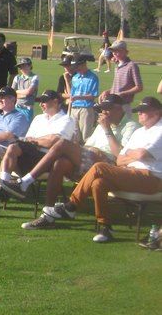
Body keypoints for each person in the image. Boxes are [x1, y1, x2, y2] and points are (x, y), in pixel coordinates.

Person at [35, 96, 162, 243]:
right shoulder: (140, 132)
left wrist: (132, 154)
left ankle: (71, 205)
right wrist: (134, 155)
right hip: (131, 173)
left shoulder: (159, 130)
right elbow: (120, 160)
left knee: (99, 167)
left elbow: (140, 154)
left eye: (144, 111)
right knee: (99, 183)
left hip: (152, 178)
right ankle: (105, 227)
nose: (140, 113)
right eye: (139, 110)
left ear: (157, 112)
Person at [20, 94, 138, 229]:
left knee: (63, 143)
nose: (104, 112)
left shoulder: (131, 126)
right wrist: (86, 149)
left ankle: (26, 181)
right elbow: (88, 146)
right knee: (60, 163)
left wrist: (107, 130)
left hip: (109, 166)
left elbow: (120, 156)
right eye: (102, 109)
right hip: (91, 160)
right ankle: (48, 214)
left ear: (120, 109)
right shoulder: (102, 125)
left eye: (107, 108)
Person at [0, 89, 78, 217]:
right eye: (40, 101)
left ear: (56, 102)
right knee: (12, 148)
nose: (41, 104)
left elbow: (53, 142)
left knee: (13, 147)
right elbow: (27, 140)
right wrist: (38, 140)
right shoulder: (38, 118)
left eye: (44, 101)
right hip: (31, 156)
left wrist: (35, 140)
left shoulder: (66, 119)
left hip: (49, 161)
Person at [101, 40, 143, 115]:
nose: (114, 53)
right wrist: (108, 91)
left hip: (124, 104)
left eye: (118, 50)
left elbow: (139, 87)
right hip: (113, 102)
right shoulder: (117, 66)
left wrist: (123, 93)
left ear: (125, 52)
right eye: (113, 51)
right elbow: (118, 87)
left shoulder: (132, 66)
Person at [65, 54, 99, 141]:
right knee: (74, 137)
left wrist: (78, 97)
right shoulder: (75, 77)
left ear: (84, 64)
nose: (76, 69)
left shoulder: (93, 77)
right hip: (74, 108)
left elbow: (93, 95)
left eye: (77, 66)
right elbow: (72, 96)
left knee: (86, 136)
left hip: (86, 109)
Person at [11, 57, 38, 123]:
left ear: (30, 65)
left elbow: (29, 92)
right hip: (16, 108)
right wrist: (24, 94)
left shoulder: (34, 77)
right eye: (20, 67)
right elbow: (11, 93)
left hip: (27, 108)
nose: (21, 68)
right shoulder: (17, 77)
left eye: (24, 65)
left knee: (26, 129)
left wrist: (17, 92)